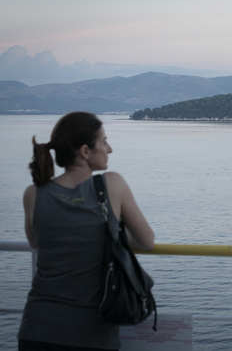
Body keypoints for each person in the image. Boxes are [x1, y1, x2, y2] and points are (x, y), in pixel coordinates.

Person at [18, 112, 155, 351]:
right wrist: (113, 231)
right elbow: (146, 241)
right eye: (104, 142)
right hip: (92, 335)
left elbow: (36, 244)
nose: (109, 149)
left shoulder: (33, 194)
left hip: (36, 330)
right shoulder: (112, 184)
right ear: (85, 151)